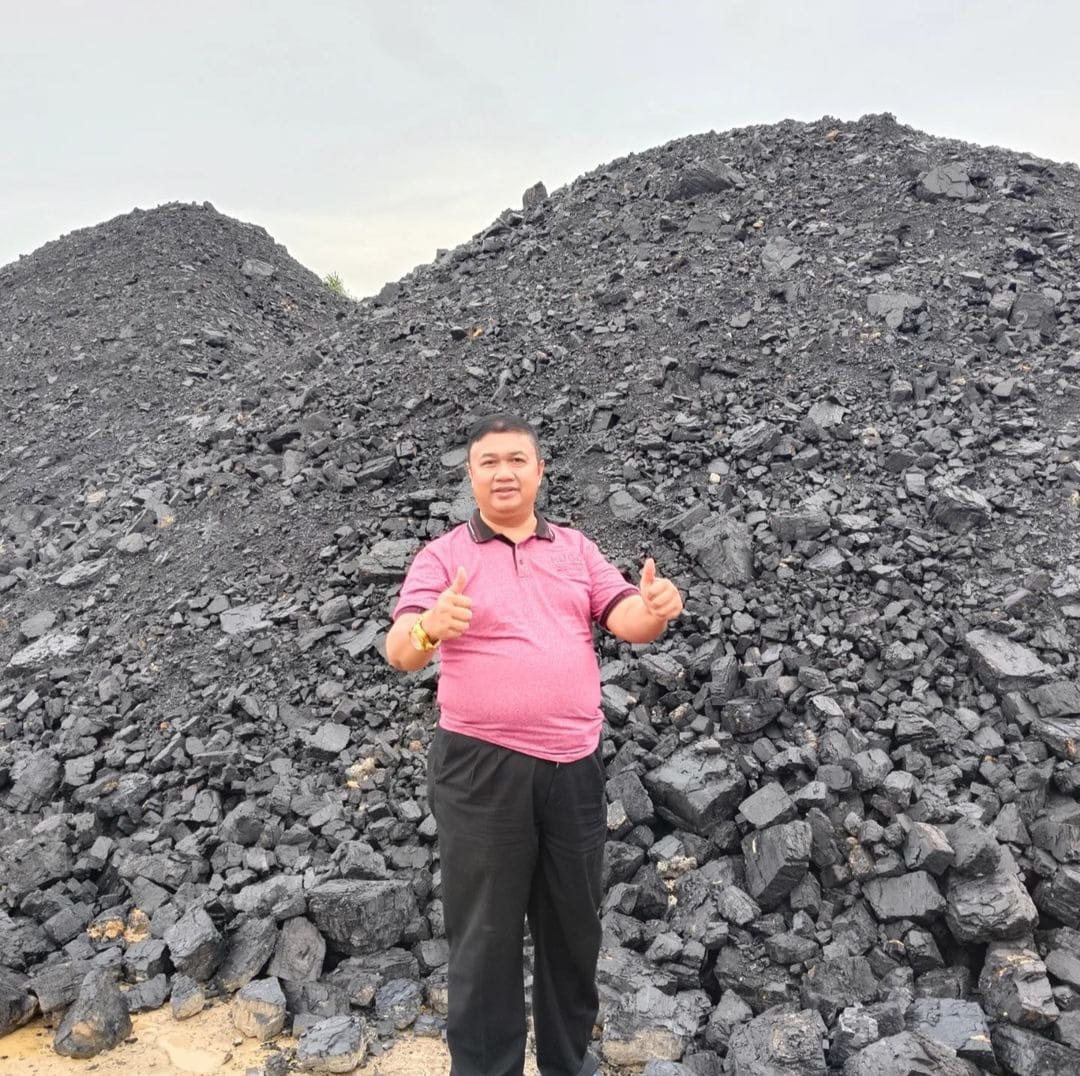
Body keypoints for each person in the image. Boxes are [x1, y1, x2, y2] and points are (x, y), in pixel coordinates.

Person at [384, 413, 684, 1076]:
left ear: (539, 471)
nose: (504, 473)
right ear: (471, 475)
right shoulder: (443, 557)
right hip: (480, 768)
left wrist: (655, 608)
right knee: (485, 936)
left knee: (573, 929)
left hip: (573, 767)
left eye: (517, 460)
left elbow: (627, 618)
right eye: (489, 462)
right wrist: (431, 626)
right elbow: (400, 649)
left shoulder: (575, 549)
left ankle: (566, 1065)